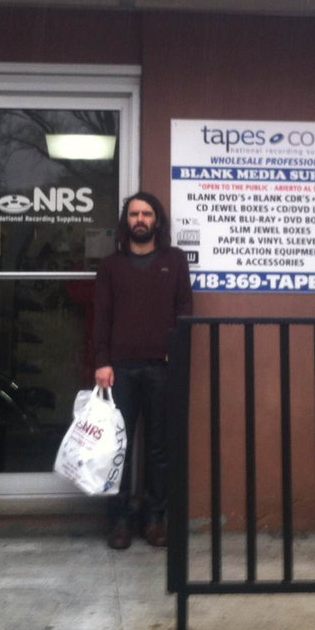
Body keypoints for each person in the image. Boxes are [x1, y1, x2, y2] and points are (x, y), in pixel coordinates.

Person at [93, 191, 193, 550]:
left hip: (161, 368)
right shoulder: (110, 266)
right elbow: (101, 316)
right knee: (118, 448)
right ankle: (119, 521)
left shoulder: (174, 260)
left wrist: (176, 355)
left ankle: (154, 520)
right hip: (119, 369)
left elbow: (185, 311)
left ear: (157, 220)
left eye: (146, 214)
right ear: (127, 221)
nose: (140, 220)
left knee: (159, 448)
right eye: (134, 214)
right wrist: (102, 361)